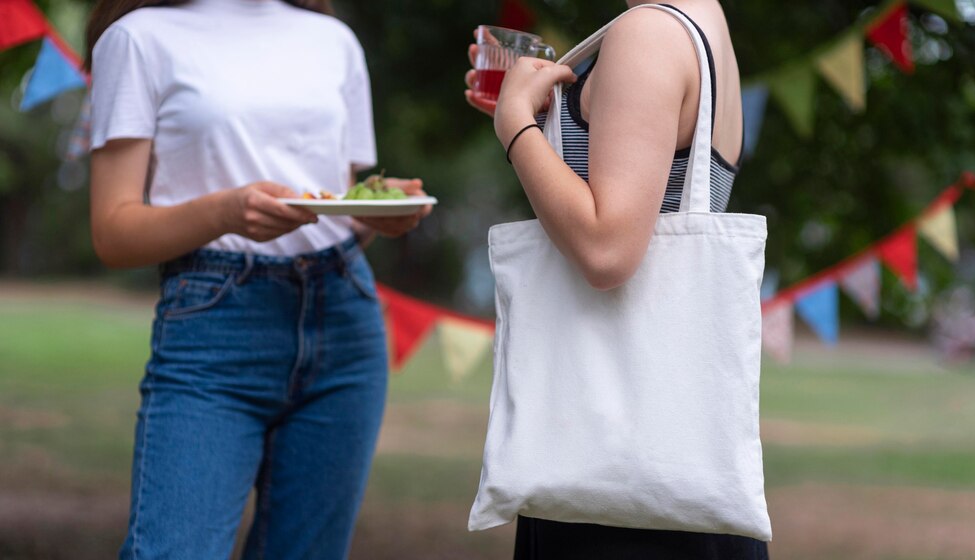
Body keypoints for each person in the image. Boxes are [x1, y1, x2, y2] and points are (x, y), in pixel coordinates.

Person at [85, 0, 431, 557]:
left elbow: (332, 205)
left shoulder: (332, 39)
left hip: (345, 319)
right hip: (214, 324)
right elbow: (113, 232)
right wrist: (223, 213)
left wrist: (376, 216)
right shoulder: (137, 38)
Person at [465, 1, 769, 558]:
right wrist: (538, 116)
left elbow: (607, 250)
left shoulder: (647, 33)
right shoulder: (704, 22)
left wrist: (515, 126)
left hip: (612, 482)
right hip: (669, 473)